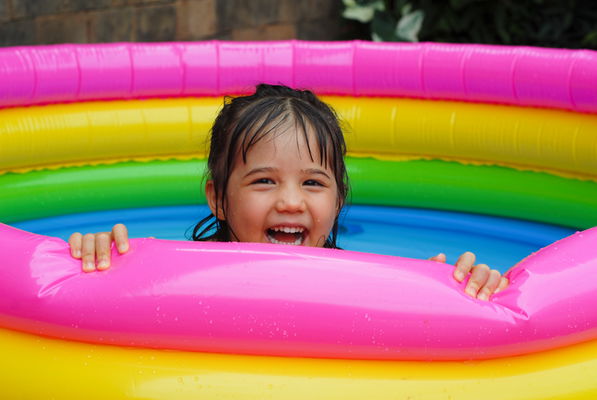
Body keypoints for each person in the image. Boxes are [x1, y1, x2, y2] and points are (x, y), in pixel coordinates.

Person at [68, 84, 508, 300]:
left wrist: (456, 292)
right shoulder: (182, 276)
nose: (291, 202)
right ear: (218, 198)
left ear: (337, 202)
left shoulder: (366, 285)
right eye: (264, 181)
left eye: (313, 183)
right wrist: (100, 260)